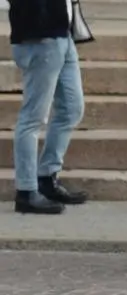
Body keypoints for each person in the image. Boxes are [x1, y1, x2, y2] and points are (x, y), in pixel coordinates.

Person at [8, 0, 94, 215]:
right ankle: (26, 191)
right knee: (32, 118)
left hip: (62, 33)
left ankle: (47, 177)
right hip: (39, 37)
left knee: (72, 109)